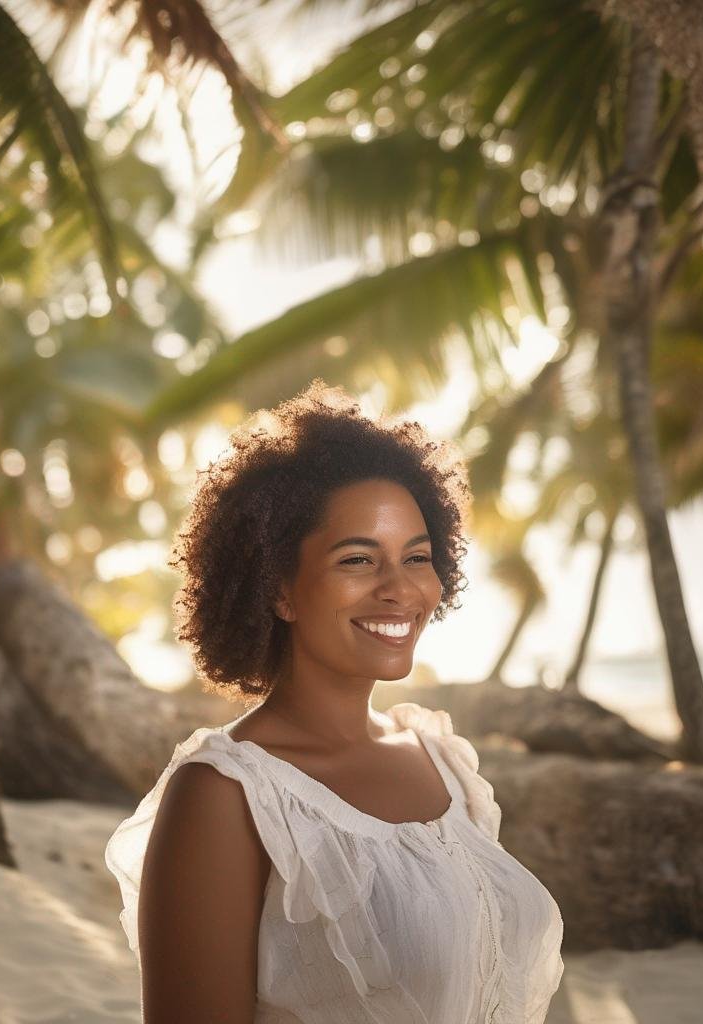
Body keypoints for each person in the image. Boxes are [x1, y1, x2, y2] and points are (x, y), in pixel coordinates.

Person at [105, 379, 564, 1023]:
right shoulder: (227, 794)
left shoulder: (443, 761)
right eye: (357, 560)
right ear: (279, 590)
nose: (400, 590)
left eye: (417, 557)